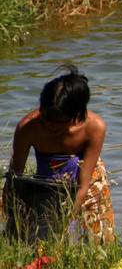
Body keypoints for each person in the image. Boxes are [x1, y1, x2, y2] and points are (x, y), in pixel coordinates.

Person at [3, 65, 115, 243]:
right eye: (46, 118)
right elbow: (16, 179)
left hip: (87, 180)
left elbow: (83, 186)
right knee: (32, 237)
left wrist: (66, 220)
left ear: (76, 116)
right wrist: (14, 217)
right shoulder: (28, 127)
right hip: (47, 182)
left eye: (58, 122)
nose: (50, 126)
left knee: (95, 240)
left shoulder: (94, 127)